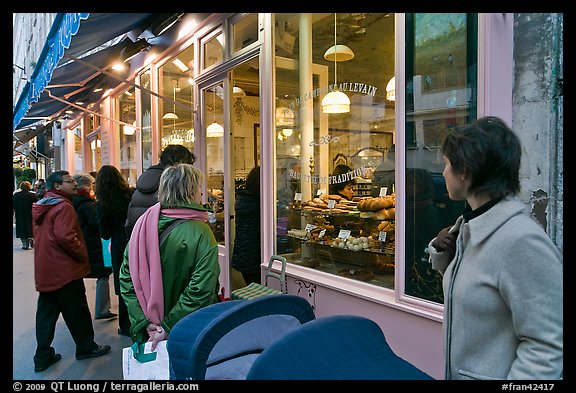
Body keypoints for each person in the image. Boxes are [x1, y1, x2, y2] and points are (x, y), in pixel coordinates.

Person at [426, 116, 563, 380]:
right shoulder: (470, 224)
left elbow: (549, 345)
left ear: (464, 171)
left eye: (445, 164)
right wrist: (447, 258)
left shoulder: (520, 240)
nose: (443, 173)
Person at [120, 163, 220, 349]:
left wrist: (144, 322)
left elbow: (127, 278)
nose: (201, 193)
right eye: (199, 188)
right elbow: (201, 289)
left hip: (149, 328)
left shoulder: (143, 223)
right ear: (189, 191)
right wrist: (167, 327)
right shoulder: (200, 231)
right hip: (189, 328)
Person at [31, 171, 111, 372]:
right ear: (57, 185)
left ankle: (42, 355)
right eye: (70, 181)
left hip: (47, 268)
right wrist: (82, 254)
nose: (75, 184)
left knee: (46, 314)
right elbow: (66, 237)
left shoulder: (44, 204)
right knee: (78, 311)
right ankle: (86, 347)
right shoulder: (63, 206)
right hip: (65, 269)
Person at [95, 165, 135, 337]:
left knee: (123, 281)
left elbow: (104, 233)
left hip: (119, 243)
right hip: (135, 238)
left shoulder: (103, 203)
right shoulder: (131, 194)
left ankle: (125, 326)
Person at [125, 144, 196, 238]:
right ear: (180, 163)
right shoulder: (172, 186)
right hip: (162, 246)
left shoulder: (143, 182)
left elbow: (130, 223)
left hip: (140, 244)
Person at [72, 174, 116, 320]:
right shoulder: (87, 204)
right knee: (103, 274)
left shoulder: (71, 202)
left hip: (80, 244)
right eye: (91, 185)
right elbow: (95, 224)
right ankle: (102, 309)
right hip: (92, 245)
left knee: (77, 278)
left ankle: (77, 311)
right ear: (85, 187)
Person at [231, 166, 261, 285]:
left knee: (251, 286)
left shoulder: (243, 199)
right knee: (259, 292)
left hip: (243, 253)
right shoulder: (259, 203)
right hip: (255, 255)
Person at [13, 180, 36, 249]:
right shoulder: (32, 195)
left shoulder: (16, 195)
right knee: (30, 227)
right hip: (30, 214)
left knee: (21, 228)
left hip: (20, 214)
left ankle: (25, 244)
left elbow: (13, 205)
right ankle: (30, 238)